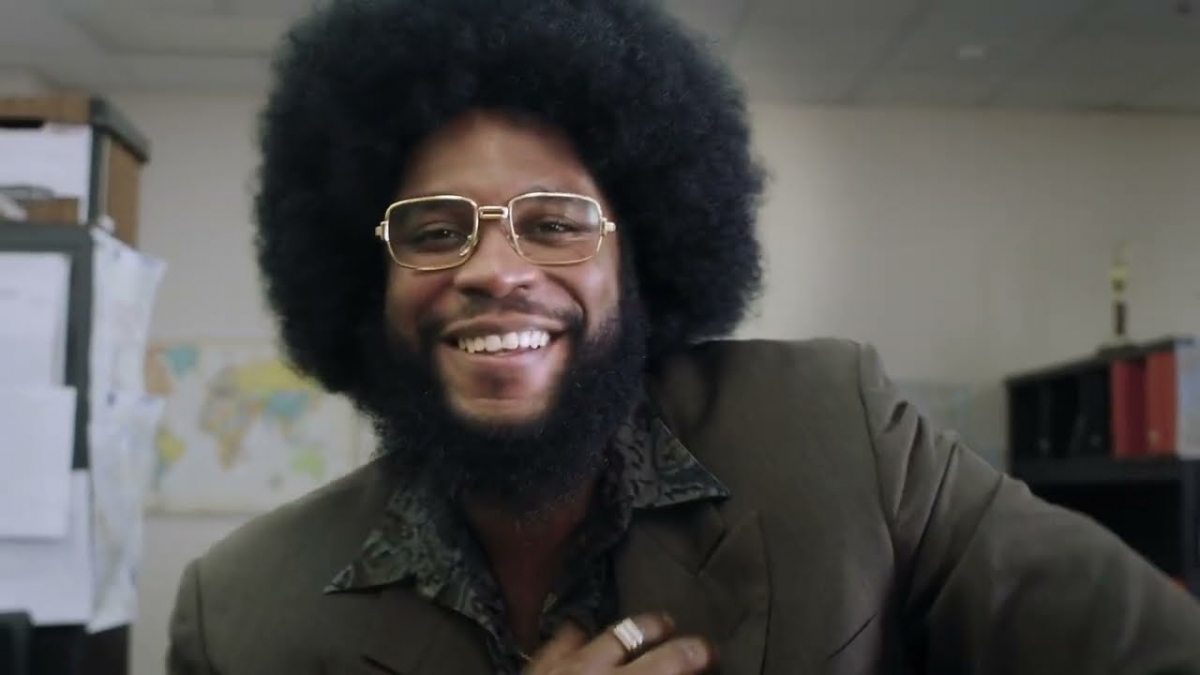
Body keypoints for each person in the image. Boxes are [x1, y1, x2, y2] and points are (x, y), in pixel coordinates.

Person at [166, 0, 1200, 673]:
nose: (493, 268)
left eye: (556, 223)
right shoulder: (243, 615)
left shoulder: (841, 437)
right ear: (365, 282)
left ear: (644, 256)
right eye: (434, 232)